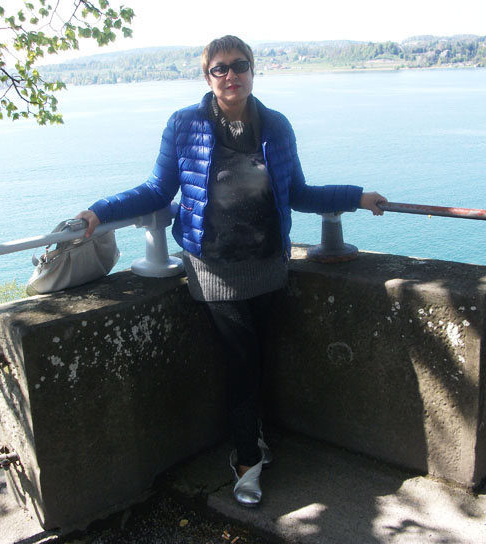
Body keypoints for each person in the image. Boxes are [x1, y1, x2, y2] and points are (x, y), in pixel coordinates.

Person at [76, 35, 386, 507]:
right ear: (208, 77)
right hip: (213, 267)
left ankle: (252, 434)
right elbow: (158, 190)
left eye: (239, 65)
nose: (230, 75)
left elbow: (297, 193)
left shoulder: (276, 126)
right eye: (219, 68)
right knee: (242, 360)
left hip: (267, 263)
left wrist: (356, 197)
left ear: (253, 70)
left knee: (258, 358)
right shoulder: (185, 124)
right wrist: (100, 210)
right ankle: (246, 461)